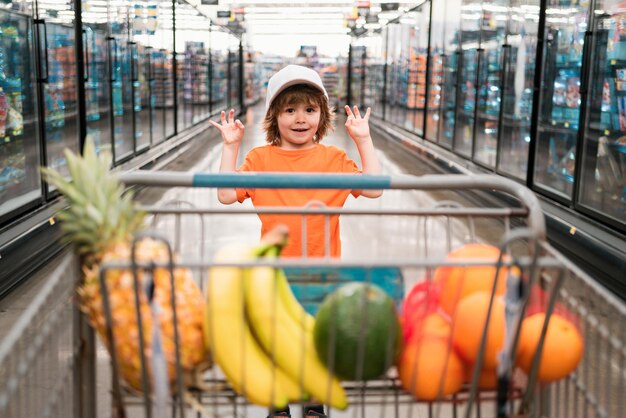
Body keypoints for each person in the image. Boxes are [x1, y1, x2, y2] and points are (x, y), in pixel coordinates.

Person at [210, 64, 382, 417]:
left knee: (314, 343)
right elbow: (227, 194)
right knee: (275, 341)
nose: (300, 119)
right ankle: (278, 405)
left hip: (322, 274)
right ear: (274, 115)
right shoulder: (260, 159)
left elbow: (373, 189)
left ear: (322, 114)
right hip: (272, 275)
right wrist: (231, 147)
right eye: (290, 109)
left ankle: (313, 402)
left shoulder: (333, 159)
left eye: (310, 109)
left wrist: (363, 140)